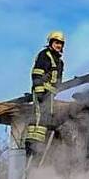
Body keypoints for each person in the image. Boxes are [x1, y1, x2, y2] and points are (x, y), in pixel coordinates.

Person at [25, 30, 65, 158]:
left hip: (51, 94)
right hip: (42, 91)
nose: (58, 45)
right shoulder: (44, 55)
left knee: (45, 118)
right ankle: (31, 145)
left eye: (61, 43)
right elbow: (36, 73)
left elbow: (58, 79)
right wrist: (39, 91)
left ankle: (39, 146)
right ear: (51, 42)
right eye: (56, 42)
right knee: (38, 117)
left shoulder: (59, 61)